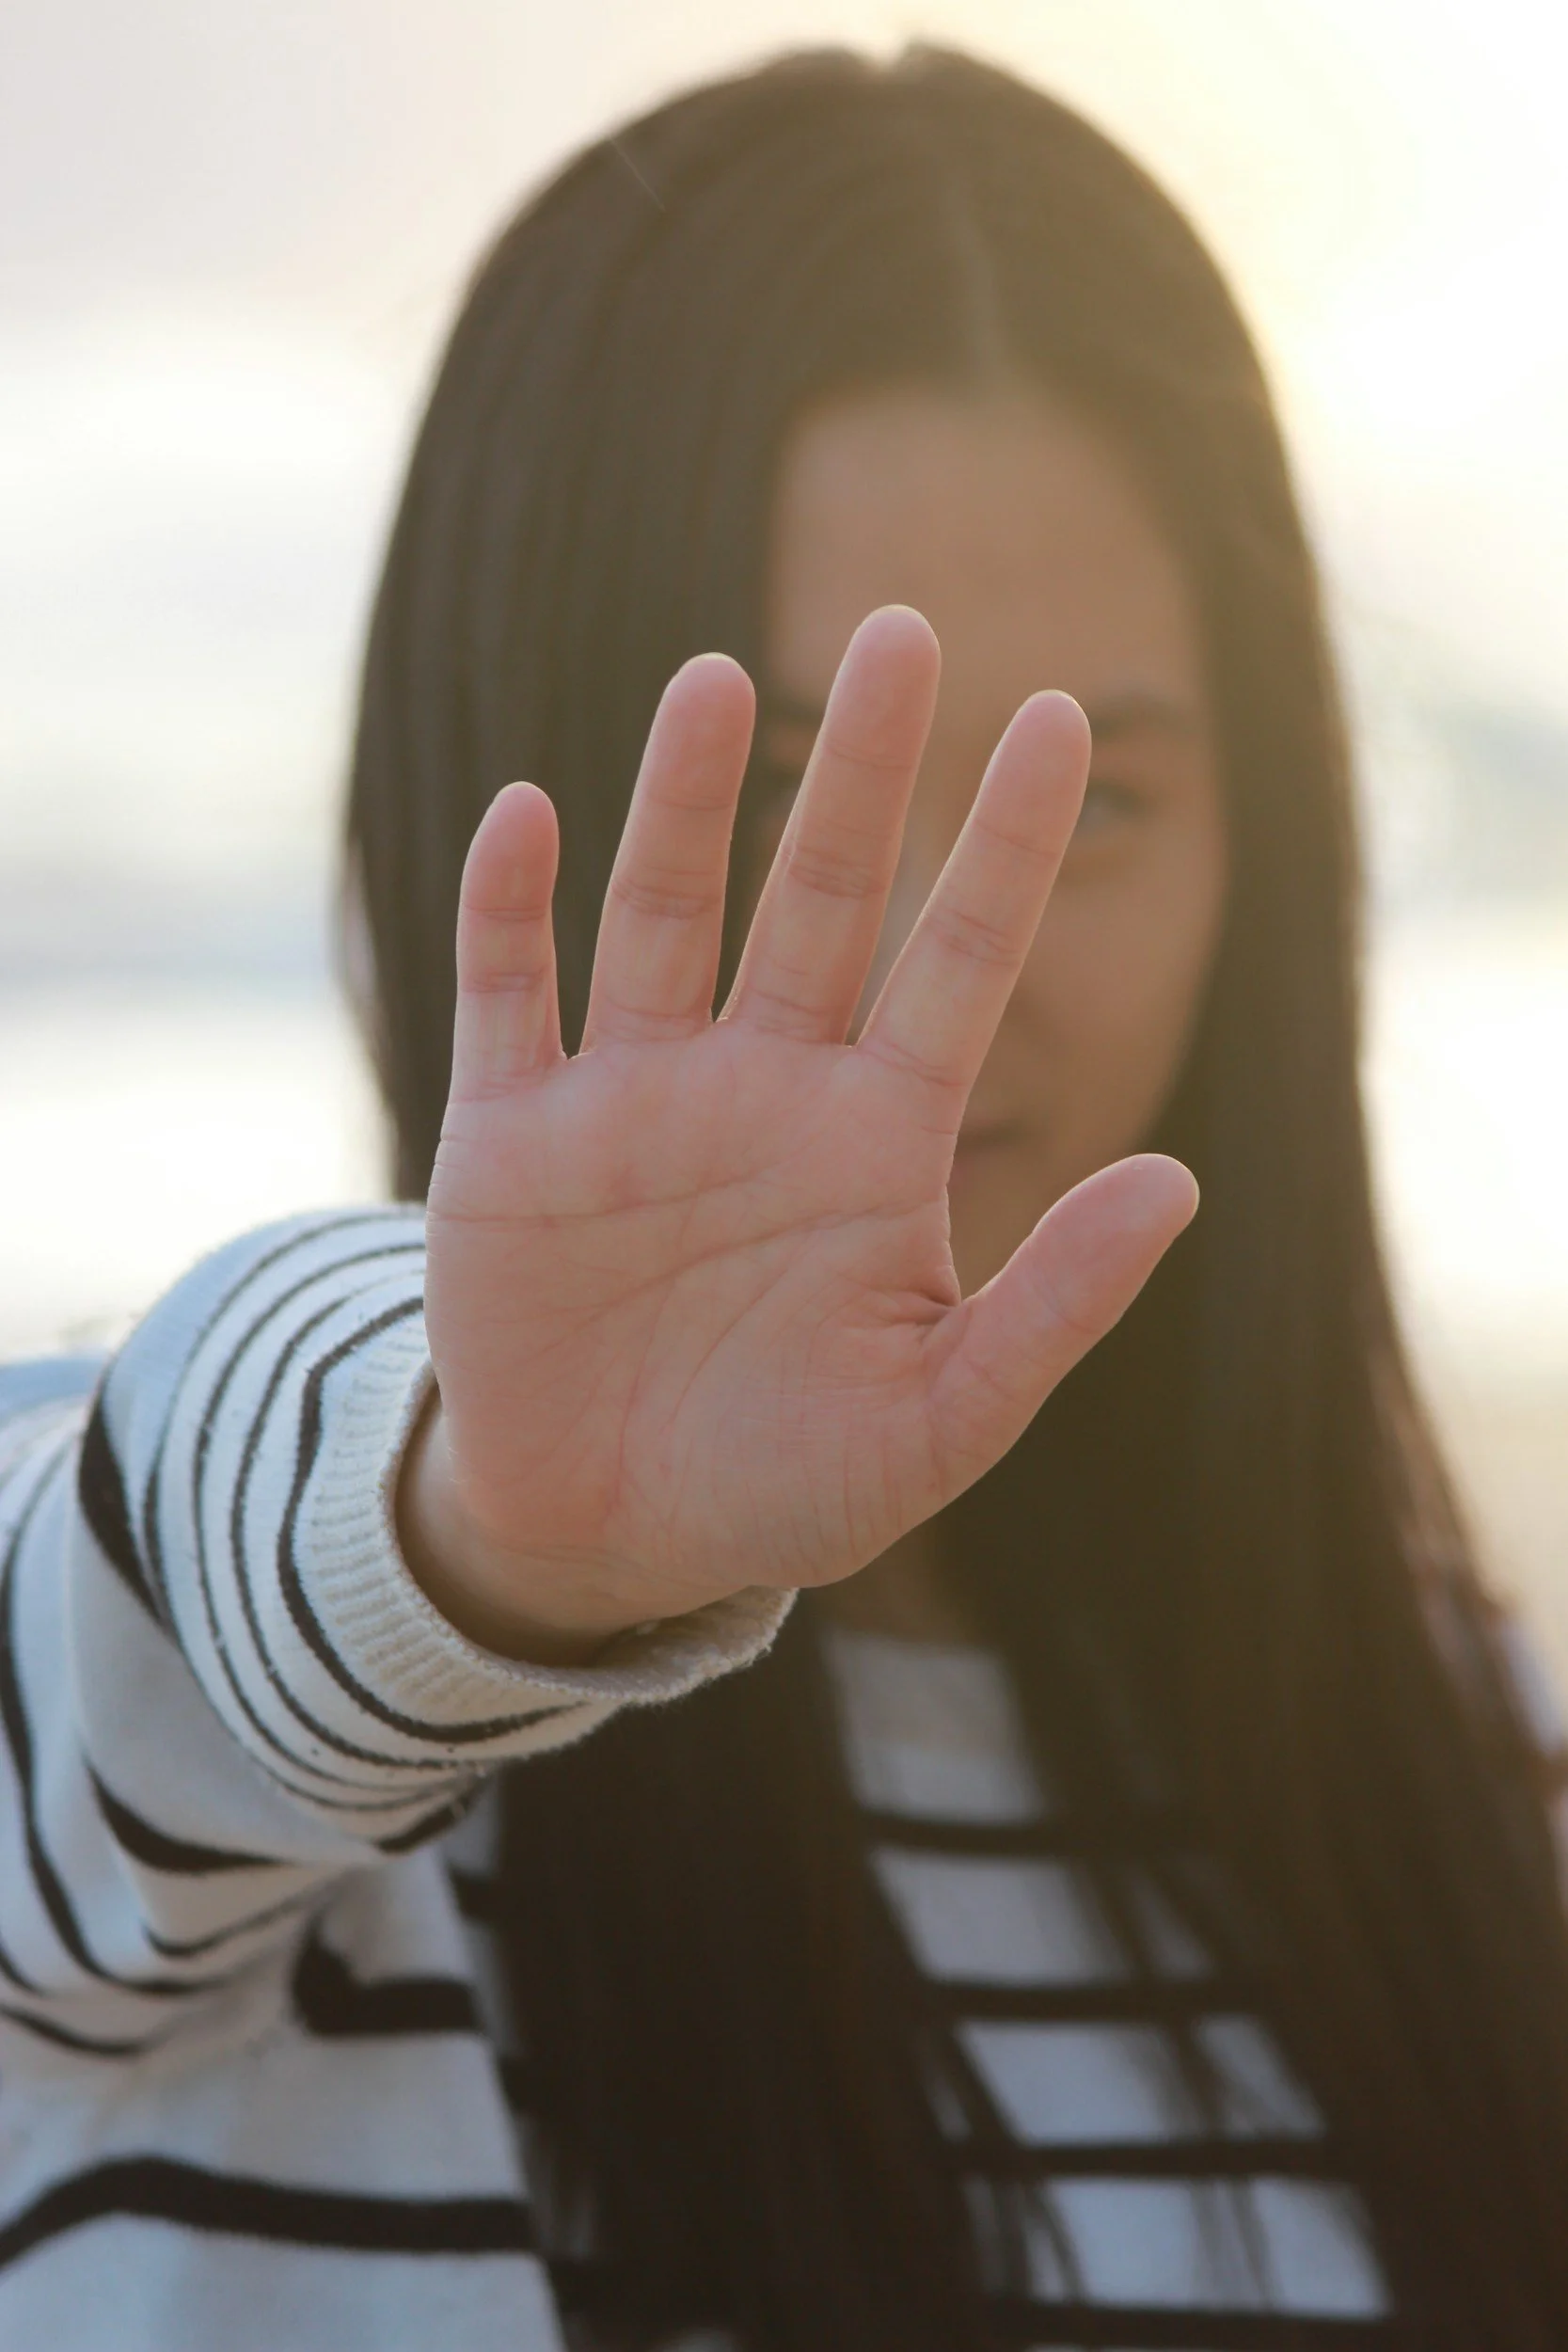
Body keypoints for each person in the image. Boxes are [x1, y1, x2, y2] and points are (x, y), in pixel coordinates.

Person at [2, 42, 1566, 2352]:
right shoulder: (202, 1836)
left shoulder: (1483, 1805)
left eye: (1096, 806)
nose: (958, 962)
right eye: (786, 803)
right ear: (492, 764)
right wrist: (478, 1534)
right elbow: (124, 1573)